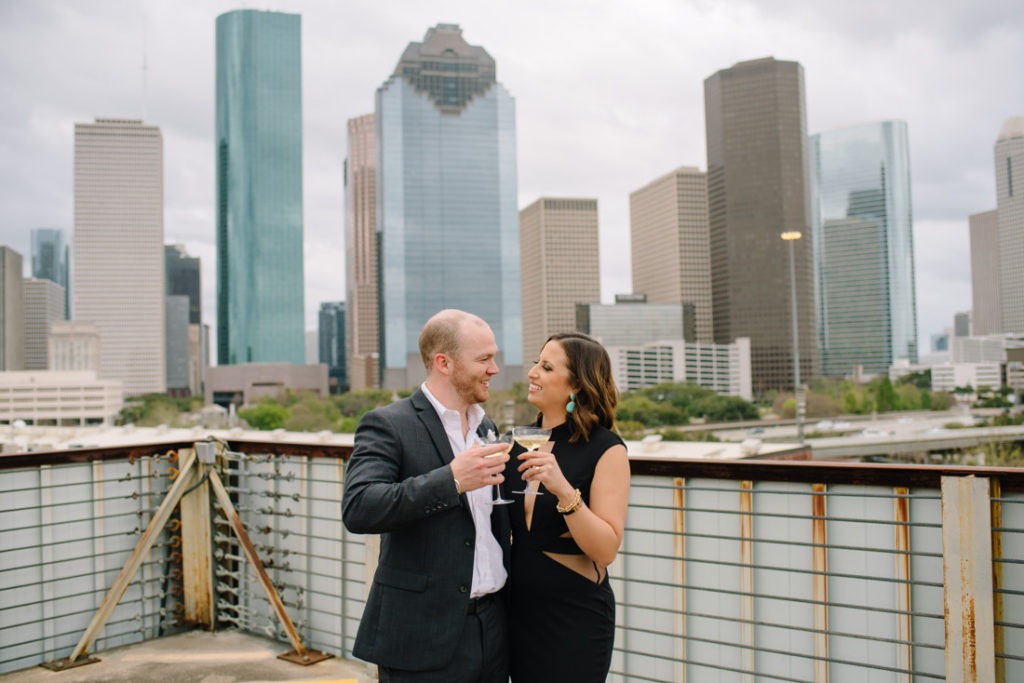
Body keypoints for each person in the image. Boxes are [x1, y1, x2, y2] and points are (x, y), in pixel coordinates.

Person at [341, 309, 512, 682]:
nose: (494, 368)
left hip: (493, 630)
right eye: (484, 359)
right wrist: (450, 480)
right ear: (443, 362)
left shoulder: (488, 427)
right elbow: (359, 507)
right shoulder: (388, 423)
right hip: (420, 636)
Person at [505, 332, 631, 682]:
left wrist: (563, 490)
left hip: (571, 620)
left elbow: (605, 550)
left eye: (546, 367)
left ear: (576, 385)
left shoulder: (606, 449)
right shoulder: (516, 442)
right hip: (514, 613)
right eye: (536, 363)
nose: (532, 373)